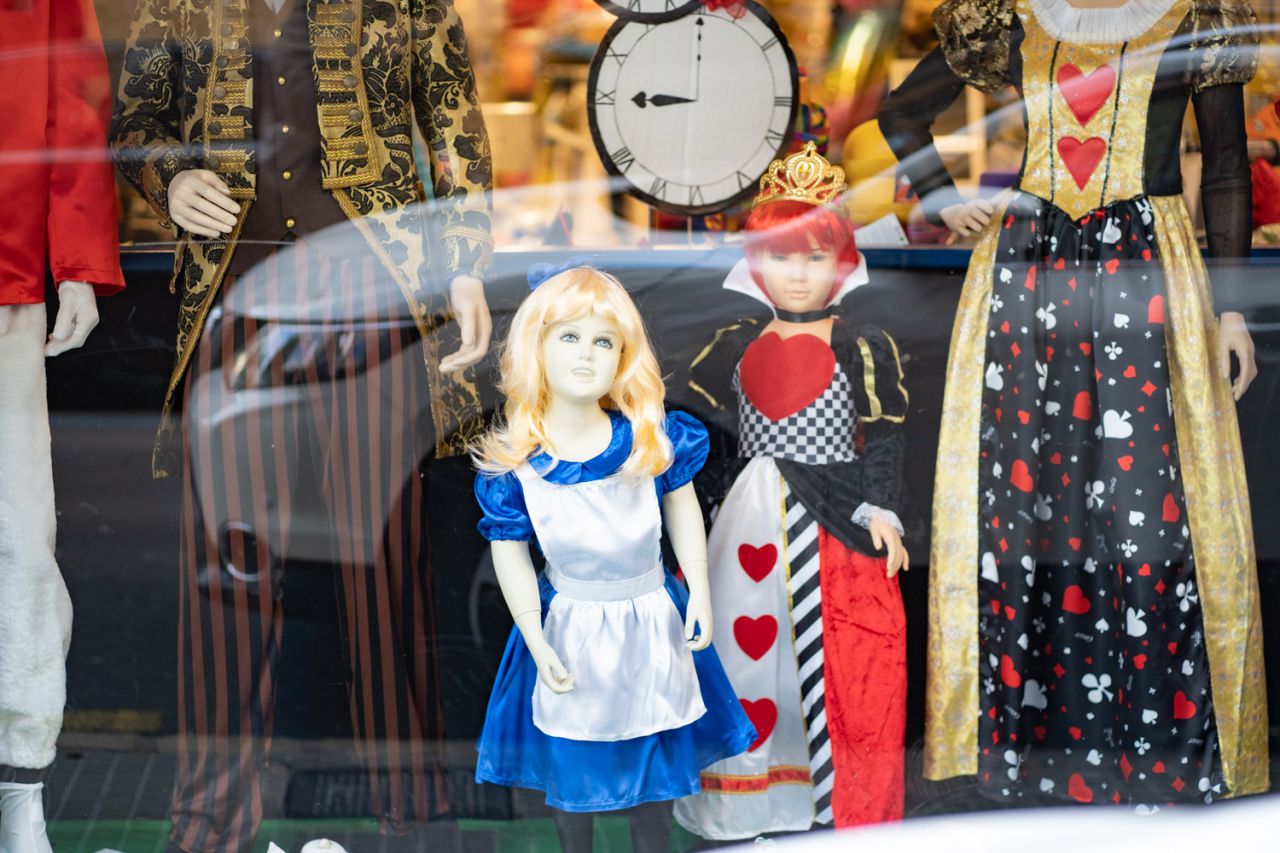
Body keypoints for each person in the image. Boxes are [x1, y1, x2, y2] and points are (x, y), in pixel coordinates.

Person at [110, 1, 494, 849]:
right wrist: (171, 177)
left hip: (372, 292)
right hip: (236, 299)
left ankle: (414, 817)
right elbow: (134, 119)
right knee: (226, 567)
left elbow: (452, 113)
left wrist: (464, 259)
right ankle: (209, 823)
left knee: (386, 562)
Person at [878, 0, 1267, 804]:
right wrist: (941, 197)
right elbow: (902, 113)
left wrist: (1231, 310)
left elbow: (1228, 164)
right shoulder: (1016, 16)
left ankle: (1155, 743)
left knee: (1149, 504)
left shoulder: (1192, 16)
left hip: (1144, 279)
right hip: (1031, 274)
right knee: (1029, 503)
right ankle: (1040, 750)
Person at [471, 265, 756, 853]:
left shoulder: (650, 439)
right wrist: (535, 637)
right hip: (569, 623)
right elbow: (510, 553)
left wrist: (698, 591)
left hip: (651, 617)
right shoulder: (518, 465)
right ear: (536, 346)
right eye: (569, 337)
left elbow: (681, 510)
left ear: (624, 356)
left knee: (652, 766)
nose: (586, 354)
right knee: (572, 769)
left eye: (603, 341)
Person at [674, 142, 910, 838]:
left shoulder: (862, 345)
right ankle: (748, 804)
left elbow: (885, 436)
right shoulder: (731, 343)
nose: (799, 274)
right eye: (781, 257)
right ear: (756, 262)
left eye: (814, 256)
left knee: (831, 660)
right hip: (743, 521)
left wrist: (881, 509)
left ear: (841, 261)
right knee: (745, 654)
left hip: (831, 519)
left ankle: (827, 802)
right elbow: (701, 432)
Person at [0, 2, 124, 851]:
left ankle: (19, 781)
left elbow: (74, 97)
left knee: (18, 541)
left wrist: (77, 260)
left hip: (6, 279)